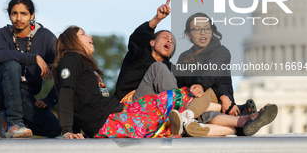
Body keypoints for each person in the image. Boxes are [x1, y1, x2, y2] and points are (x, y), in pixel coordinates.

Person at [53, 26, 277, 139]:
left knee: (175, 127)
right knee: (194, 94)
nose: (89, 37)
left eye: (172, 39)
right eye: (83, 35)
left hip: (118, 119)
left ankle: (239, 125)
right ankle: (232, 116)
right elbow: (66, 92)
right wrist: (66, 130)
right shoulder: (73, 59)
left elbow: (76, 98)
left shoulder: (82, 65)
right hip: (120, 113)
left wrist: (225, 93)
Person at [113, 0, 214, 136]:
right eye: (165, 37)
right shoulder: (138, 56)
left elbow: (192, 79)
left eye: (172, 41)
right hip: (131, 107)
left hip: (155, 111)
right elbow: (136, 40)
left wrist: (202, 87)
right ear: (152, 42)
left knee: (203, 89)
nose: (169, 40)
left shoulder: (170, 69)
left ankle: (235, 118)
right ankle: (182, 117)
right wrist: (157, 19)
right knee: (158, 68)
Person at [0, 0, 61, 138]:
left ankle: (6, 118)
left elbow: (62, 71)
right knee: (12, 65)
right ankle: (14, 123)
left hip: (23, 95)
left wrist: (50, 99)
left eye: (24, 14)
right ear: (9, 15)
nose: (18, 18)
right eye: (14, 13)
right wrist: (34, 58)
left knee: (54, 129)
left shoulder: (46, 38)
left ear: (32, 15)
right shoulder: (0, 34)